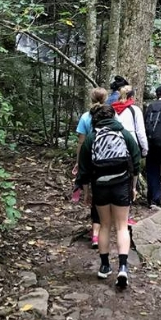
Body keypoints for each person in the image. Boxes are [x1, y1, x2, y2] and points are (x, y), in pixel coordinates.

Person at [76, 104, 141, 288]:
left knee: (104, 226)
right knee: (122, 227)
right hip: (121, 184)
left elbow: (84, 169)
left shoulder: (91, 137)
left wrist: (87, 192)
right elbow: (136, 161)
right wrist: (133, 187)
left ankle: (104, 266)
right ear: (113, 117)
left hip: (100, 186)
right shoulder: (124, 133)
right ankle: (122, 268)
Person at [72, 87, 109, 248]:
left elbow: (81, 141)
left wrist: (78, 161)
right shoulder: (110, 115)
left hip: (91, 160)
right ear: (105, 99)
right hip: (108, 158)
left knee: (95, 195)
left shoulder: (86, 117)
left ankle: (95, 233)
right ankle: (105, 228)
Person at [112, 86, 148, 206]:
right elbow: (140, 132)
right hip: (131, 145)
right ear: (131, 97)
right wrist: (145, 149)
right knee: (132, 172)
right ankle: (131, 194)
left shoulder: (113, 109)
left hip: (114, 145)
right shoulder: (135, 110)